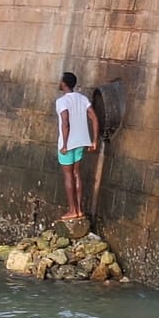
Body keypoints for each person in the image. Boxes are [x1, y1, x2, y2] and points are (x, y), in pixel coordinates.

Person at [56, 71, 99, 221]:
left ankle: (72, 210)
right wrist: (94, 140)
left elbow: (65, 123)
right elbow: (94, 118)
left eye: (60, 80)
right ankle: (79, 210)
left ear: (64, 84)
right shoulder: (83, 99)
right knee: (76, 174)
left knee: (68, 176)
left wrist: (65, 145)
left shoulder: (62, 101)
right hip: (82, 141)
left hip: (68, 143)